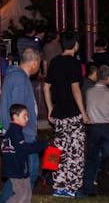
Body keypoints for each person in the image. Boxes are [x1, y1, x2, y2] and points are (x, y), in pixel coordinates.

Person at [43, 30, 89, 198]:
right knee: (75, 151)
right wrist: (83, 112)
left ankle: (58, 186)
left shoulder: (54, 62)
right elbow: (75, 88)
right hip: (73, 113)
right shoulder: (75, 63)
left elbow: (46, 87)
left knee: (58, 150)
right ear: (76, 45)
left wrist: (50, 109)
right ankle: (72, 187)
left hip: (59, 114)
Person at [0, 48, 42, 203]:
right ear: (35, 63)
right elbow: (17, 110)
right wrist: (20, 135)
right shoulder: (20, 80)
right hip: (22, 136)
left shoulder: (15, 77)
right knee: (25, 174)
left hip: (19, 134)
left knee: (23, 174)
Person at [83, 65, 109, 196]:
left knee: (91, 159)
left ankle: (88, 188)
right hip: (107, 128)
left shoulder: (88, 92)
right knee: (108, 159)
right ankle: (104, 187)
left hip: (93, 128)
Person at [0, 104, 48, 203]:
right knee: (21, 196)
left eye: (27, 116)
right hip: (16, 171)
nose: (27, 118)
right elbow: (24, 148)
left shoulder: (12, 131)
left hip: (20, 170)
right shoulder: (15, 131)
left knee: (27, 193)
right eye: (24, 116)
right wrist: (43, 145)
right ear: (15, 117)